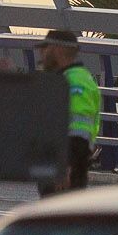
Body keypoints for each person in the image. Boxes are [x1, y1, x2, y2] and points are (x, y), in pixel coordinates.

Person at [37, 27, 102, 191]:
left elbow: (79, 130)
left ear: (57, 50)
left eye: (45, 49)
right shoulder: (65, 79)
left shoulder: (74, 82)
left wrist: (66, 165)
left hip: (66, 171)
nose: (41, 55)